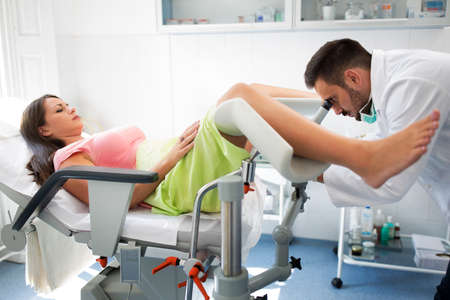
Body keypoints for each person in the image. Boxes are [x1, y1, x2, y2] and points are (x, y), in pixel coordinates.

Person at [19, 83, 439, 217]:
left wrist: (175, 142)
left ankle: (339, 106)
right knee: (237, 98)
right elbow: (113, 202)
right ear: (44, 128)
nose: (69, 107)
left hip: (178, 162)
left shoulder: (92, 140)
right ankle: (359, 150)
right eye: (59, 109)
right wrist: (166, 161)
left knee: (244, 96)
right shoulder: (63, 160)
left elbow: (132, 154)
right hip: (170, 184)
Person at [303, 38, 449, 299]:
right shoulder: (394, 78)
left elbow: (390, 177)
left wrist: (315, 172)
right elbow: (383, 143)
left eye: (332, 100)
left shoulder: (411, 84)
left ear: (353, 78)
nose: (335, 111)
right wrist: (332, 156)